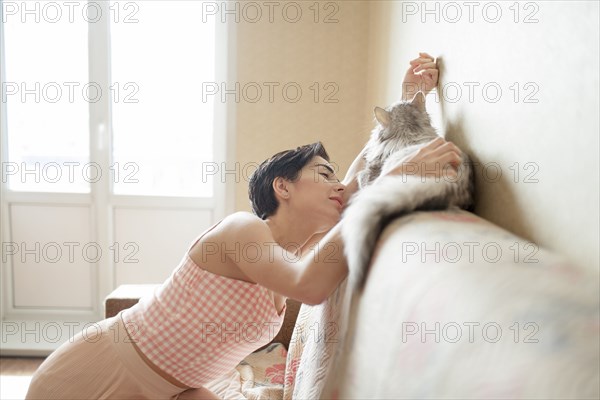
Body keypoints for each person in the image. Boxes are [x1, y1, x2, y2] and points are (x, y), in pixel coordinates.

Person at [26, 53, 461, 400]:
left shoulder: (288, 254)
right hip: (98, 372)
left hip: (177, 389)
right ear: (283, 187)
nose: (339, 187)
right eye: (324, 174)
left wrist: (408, 102)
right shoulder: (242, 230)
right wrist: (395, 179)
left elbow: (361, 175)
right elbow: (309, 287)